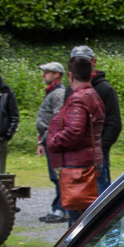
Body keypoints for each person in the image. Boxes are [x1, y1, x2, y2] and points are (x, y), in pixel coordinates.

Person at [45, 57, 106, 227]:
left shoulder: (79, 98)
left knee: (77, 223)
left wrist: (52, 141)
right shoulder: (93, 94)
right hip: (89, 160)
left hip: (77, 166)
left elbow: (74, 131)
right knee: (89, 217)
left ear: (70, 76)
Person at [69, 46, 121, 193]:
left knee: (99, 197)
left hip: (96, 155)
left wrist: (100, 149)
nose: (80, 67)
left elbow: (114, 123)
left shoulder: (105, 89)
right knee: (73, 197)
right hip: (73, 155)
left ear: (94, 62)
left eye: (84, 62)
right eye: (76, 63)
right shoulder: (70, 89)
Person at [35, 62, 68, 222]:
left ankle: (61, 210)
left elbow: (57, 120)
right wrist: (41, 142)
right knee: (55, 177)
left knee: (59, 177)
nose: (43, 75)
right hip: (49, 140)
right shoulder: (52, 92)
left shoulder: (58, 94)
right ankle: (58, 209)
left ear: (57, 74)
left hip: (54, 142)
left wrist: (49, 139)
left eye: (47, 72)